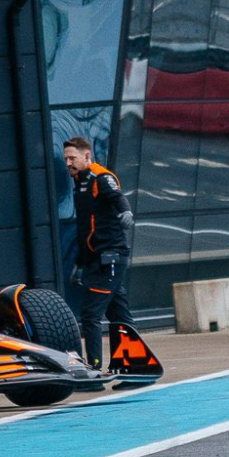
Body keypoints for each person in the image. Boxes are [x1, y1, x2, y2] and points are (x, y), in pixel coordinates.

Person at [63, 135, 135, 371]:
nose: (68, 163)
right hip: (96, 259)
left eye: (72, 158)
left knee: (91, 314)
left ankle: (93, 370)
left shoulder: (99, 177)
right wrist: (79, 264)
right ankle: (132, 366)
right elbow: (87, 230)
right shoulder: (79, 184)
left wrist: (126, 213)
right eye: (66, 159)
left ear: (87, 156)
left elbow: (117, 197)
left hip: (110, 257)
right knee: (120, 315)